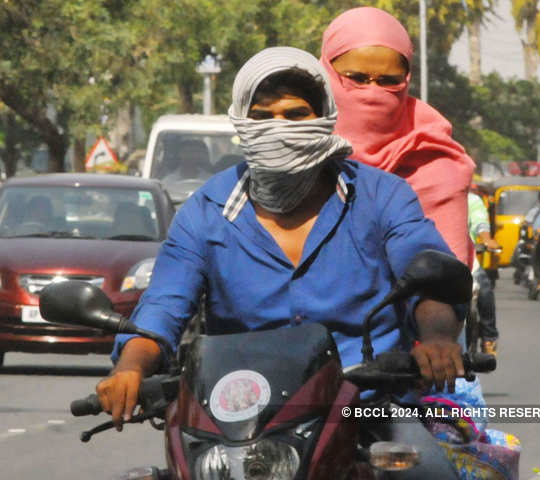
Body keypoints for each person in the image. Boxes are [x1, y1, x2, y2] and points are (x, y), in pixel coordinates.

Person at [97, 47, 466, 479]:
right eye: (262, 116)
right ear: (240, 122)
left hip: (364, 407)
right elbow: (162, 306)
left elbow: (426, 272)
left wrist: (438, 338)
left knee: (429, 472)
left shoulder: (383, 197)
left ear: (325, 115)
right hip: (236, 421)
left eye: (296, 114)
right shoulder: (205, 211)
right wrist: (130, 368)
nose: (279, 129)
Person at [320, 7, 476, 268]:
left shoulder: (437, 164)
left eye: (388, 81)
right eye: (357, 78)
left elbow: (445, 282)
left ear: (406, 80)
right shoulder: (300, 152)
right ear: (326, 72)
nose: (372, 93)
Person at [468, 192, 500, 356]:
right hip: (435, 258)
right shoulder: (430, 196)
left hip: (467, 259)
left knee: (485, 290)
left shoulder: (471, 200)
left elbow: (480, 223)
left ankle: (489, 337)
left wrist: (486, 239)